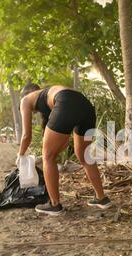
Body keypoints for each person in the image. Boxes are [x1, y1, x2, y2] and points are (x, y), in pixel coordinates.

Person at [18, 84, 111, 215]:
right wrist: (53, 152)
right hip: (86, 105)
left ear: (27, 93)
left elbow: (26, 135)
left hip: (67, 102)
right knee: (85, 157)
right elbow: (65, 142)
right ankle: (101, 198)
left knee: (48, 157)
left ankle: (54, 204)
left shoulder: (25, 100)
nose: (33, 113)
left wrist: (21, 155)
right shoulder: (49, 100)